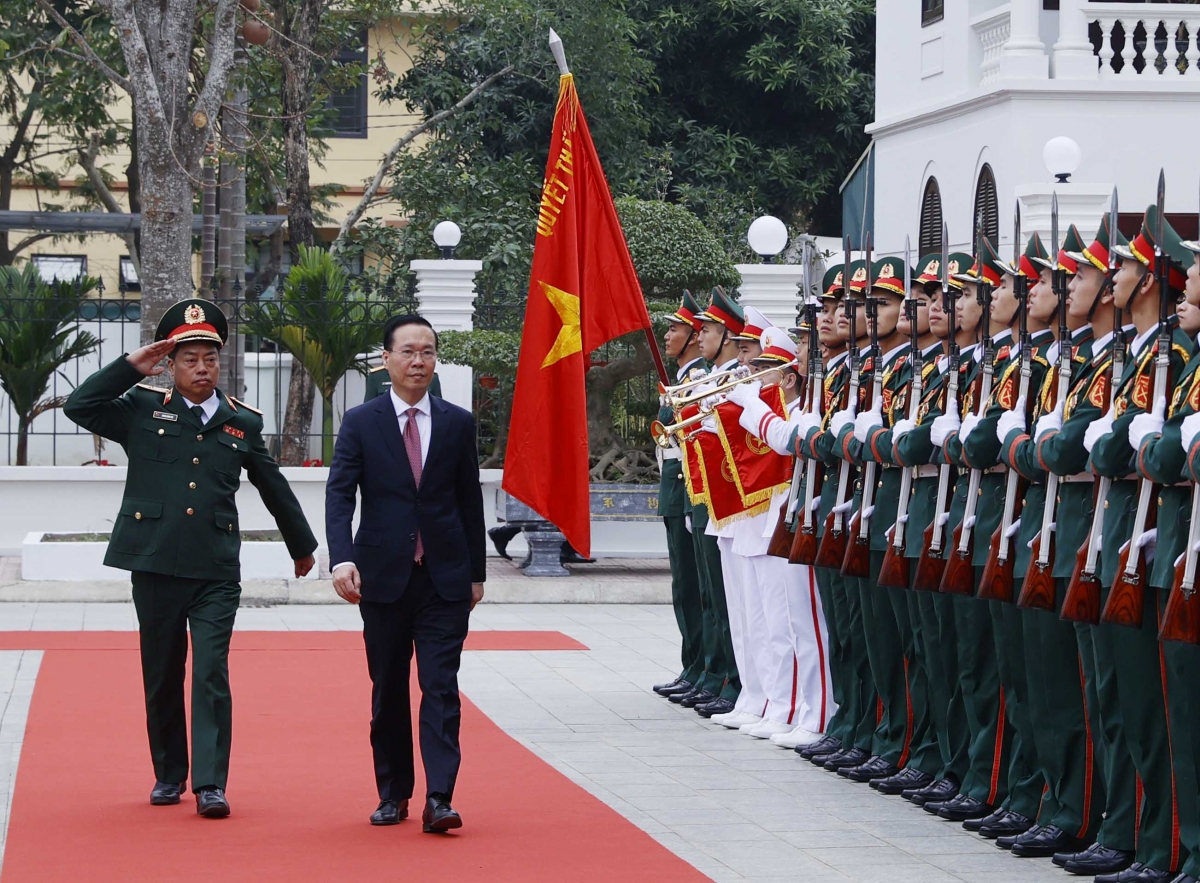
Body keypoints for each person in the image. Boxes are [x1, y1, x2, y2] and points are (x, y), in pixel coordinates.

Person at [63, 298, 318, 819]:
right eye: (189, 359)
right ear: (171, 365)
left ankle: (209, 784)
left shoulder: (241, 422)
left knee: (209, 671)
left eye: (209, 358)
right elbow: (80, 406)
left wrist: (302, 545)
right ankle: (168, 774)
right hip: (153, 561)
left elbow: (273, 486)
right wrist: (131, 366)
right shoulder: (141, 409)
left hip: (214, 568)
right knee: (161, 672)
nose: (201, 368)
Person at [326, 314, 487, 832]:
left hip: (444, 577)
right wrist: (342, 556)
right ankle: (393, 792)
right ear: (387, 359)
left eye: (429, 352)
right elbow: (339, 494)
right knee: (389, 688)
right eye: (409, 352)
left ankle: (440, 797)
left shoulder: (458, 421)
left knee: (441, 686)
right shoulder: (360, 421)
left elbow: (469, 501)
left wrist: (476, 573)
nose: (419, 361)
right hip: (382, 577)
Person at [653, 291, 708, 699]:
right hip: (674, 489)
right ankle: (694, 666)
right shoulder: (682, 380)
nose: (667, 334)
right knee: (684, 587)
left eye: (675, 328)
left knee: (696, 587)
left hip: (690, 491)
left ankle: (705, 669)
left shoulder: (699, 378)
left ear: (693, 337)